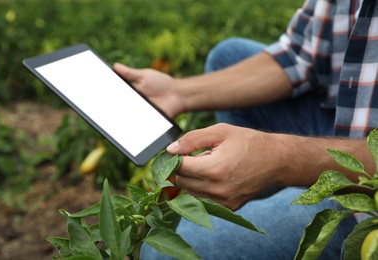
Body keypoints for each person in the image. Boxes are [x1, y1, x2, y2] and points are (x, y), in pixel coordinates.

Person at [113, 0, 378, 259]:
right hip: (359, 124)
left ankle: (273, 192)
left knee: (163, 251)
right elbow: (300, 53)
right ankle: (262, 189)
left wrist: (279, 157)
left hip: (369, 203)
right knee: (226, 57)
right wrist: (177, 93)